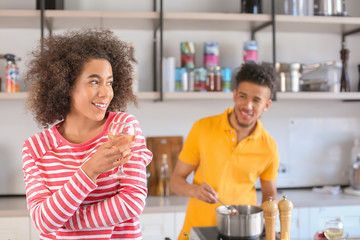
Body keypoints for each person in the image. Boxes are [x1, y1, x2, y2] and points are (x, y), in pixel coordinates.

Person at [22, 29, 152, 240]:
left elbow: (132, 201)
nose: (106, 92)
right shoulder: (36, 148)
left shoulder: (123, 129)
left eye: (109, 82)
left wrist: (63, 222)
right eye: (94, 81)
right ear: (66, 86)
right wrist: (90, 169)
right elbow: (43, 222)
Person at [170, 63, 280, 239]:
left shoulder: (269, 146)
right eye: (243, 96)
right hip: (197, 232)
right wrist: (194, 190)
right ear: (234, 95)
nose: (248, 106)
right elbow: (176, 181)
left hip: (242, 234)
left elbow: (270, 193)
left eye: (256, 100)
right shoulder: (202, 128)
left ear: (266, 105)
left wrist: (269, 221)